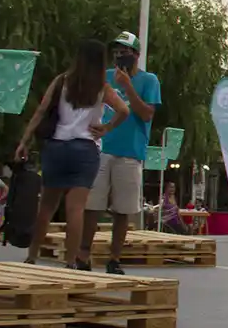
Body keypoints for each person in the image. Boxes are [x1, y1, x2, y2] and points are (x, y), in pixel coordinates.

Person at [15, 40, 129, 267]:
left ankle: (32, 255)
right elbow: (124, 110)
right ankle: (70, 262)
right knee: (76, 208)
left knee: (47, 206)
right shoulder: (102, 88)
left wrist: (24, 141)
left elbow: (41, 111)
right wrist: (106, 128)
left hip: (56, 147)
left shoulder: (61, 81)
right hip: (85, 150)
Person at [78, 31, 161, 274]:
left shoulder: (149, 80)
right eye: (116, 51)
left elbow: (146, 114)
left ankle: (114, 259)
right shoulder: (104, 77)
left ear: (136, 54)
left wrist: (127, 86)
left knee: (123, 209)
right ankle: (83, 255)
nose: (119, 56)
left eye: (124, 51)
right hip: (101, 147)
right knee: (92, 205)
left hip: (130, 152)